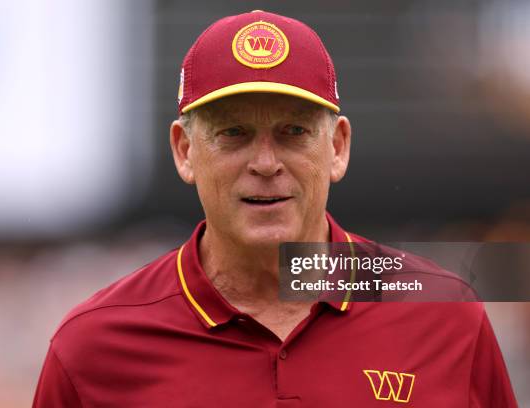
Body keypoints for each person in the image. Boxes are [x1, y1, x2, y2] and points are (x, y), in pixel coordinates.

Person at [33, 10, 517, 407]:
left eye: (294, 132)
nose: (265, 164)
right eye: (233, 134)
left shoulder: (443, 316)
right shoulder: (95, 346)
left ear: (338, 148)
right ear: (184, 151)